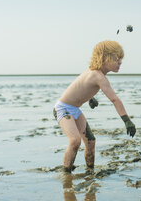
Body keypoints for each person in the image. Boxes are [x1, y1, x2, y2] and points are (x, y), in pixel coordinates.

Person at [53, 40, 136, 173]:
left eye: (121, 59)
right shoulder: (98, 76)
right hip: (63, 108)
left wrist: (90, 98)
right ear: (104, 58)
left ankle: (90, 171)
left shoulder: (94, 73)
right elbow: (114, 99)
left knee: (91, 141)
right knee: (75, 141)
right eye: (116, 58)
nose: (120, 62)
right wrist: (127, 120)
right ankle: (66, 175)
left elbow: (82, 87)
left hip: (75, 109)